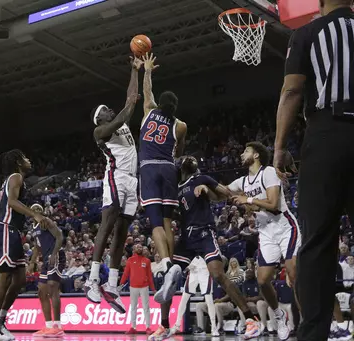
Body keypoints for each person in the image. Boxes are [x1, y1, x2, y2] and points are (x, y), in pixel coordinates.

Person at [273, 0, 354, 340]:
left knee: (318, 242)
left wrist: (278, 147)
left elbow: (292, 91)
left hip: (327, 135)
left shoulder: (307, 33)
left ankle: (313, 333)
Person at [149, 156, 256, 340]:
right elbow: (177, 212)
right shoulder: (175, 189)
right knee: (169, 276)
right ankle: (164, 325)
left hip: (204, 232)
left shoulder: (201, 178)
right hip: (187, 237)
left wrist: (209, 190)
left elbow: (225, 194)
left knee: (218, 275)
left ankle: (250, 319)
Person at [84, 56, 143, 313]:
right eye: (105, 109)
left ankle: (111, 285)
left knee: (122, 232)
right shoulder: (100, 132)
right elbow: (125, 111)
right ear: (100, 119)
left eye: (110, 108)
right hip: (116, 176)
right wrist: (129, 104)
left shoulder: (121, 121)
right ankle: (92, 279)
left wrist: (134, 71)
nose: (110, 109)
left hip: (133, 180)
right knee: (108, 224)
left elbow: (131, 96)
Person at [229, 142, 300, 340]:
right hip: (266, 231)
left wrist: (248, 200)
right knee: (262, 280)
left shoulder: (268, 172)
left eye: (246, 150)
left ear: (257, 155)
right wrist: (203, 184)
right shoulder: (242, 182)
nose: (242, 153)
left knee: (293, 274)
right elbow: (223, 191)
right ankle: (279, 315)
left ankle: (309, 322)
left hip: (284, 226)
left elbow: (273, 204)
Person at [0, 149, 53, 341]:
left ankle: (0, 321)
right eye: (25, 157)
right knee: (4, 278)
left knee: (20, 279)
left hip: (13, 232)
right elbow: (12, 202)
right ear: (18, 162)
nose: (29, 160)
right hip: (5, 229)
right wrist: (34, 214)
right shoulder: (15, 177)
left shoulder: (15, 179)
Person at [138, 53, 187, 306]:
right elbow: (179, 153)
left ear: (160, 103)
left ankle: (167, 264)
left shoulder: (149, 111)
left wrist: (146, 70)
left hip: (148, 168)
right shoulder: (181, 125)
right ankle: (173, 262)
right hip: (169, 168)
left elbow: (147, 92)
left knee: (155, 221)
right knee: (168, 220)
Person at [29, 203, 65, 338]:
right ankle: (49, 326)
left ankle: (58, 326)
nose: (36, 211)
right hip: (45, 258)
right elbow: (37, 248)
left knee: (52, 288)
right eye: (34, 209)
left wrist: (55, 253)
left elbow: (60, 236)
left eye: (39, 209)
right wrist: (32, 262)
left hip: (55, 255)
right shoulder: (34, 227)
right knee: (41, 291)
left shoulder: (47, 221)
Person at [172, 256, 218, 336]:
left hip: (205, 270)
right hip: (193, 269)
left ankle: (213, 328)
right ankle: (177, 324)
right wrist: (187, 267)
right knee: (184, 298)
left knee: (209, 300)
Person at [120, 243, 155, 335]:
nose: (140, 248)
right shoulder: (130, 260)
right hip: (133, 287)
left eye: (141, 247)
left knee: (146, 307)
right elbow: (126, 273)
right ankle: (133, 327)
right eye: (138, 247)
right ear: (134, 249)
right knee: (133, 307)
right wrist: (121, 284)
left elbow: (149, 276)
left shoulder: (147, 261)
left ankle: (148, 327)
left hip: (144, 286)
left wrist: (153, 288)